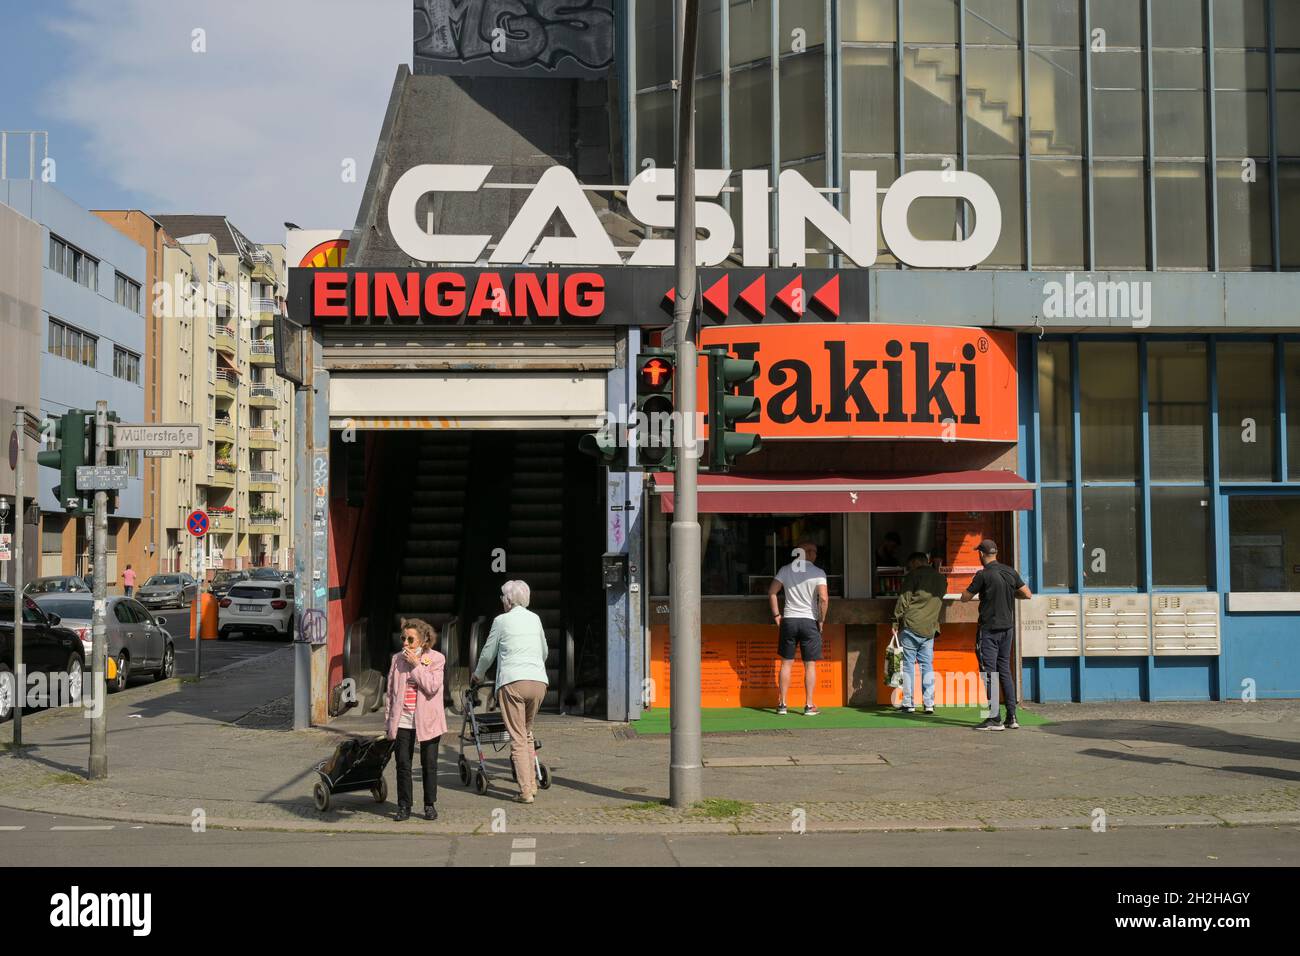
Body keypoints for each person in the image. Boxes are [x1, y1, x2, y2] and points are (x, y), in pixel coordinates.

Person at [472, 580, 549, 803]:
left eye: (502, 598)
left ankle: (525, 791)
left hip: (513, 683)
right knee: (526, 732)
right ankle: (532, 784)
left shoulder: (501, 621)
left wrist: (478, 674)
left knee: (516, 737)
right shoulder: (535, 619)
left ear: (508, 600)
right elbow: (544, 651)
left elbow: (488, 653)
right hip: (538, 682)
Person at [960, 539, 1032, 731]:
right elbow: (1027, 594)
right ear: (996, 553)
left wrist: (981, 591)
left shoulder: (983, 575)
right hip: (1007, 629)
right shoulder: (1010, 571)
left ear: (981, 554)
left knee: (989, 673)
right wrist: (1009, 593)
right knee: (1005, 671)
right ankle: (1012, 717)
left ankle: (994, 718)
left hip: (989, 630)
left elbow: (964, 598)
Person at [384, 617, 446, 821]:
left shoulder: (436, 659)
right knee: (402, 764)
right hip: (402, 719)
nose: (405, 643)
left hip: (428, 720)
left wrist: (416, 665)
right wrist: (388, 722)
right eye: (403, 638)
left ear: (423, 640)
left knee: (429, 764)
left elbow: (431, 687)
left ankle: (429, 804)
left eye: (410, 639)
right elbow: (391, 694)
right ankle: (404, 806)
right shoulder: (396, 659)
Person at [767, 539, 828, 717]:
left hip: (789, 620)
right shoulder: (818, 572)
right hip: (810, 622)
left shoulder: (786, 570)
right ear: (808, 553)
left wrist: (777, 615)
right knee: (810, 665)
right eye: (814, 551)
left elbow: (772, 592)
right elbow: (823, 598)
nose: (816, 555)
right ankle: (809, 705)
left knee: (786, 663)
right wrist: (821, 620)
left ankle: (782, 704)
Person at [891, 552, 948, 714]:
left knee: (908, 666)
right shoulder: (941, 578)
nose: (909, 568)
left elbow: (903, 599)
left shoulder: (913, 576)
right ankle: (929, 703)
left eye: (910, 565)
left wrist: (895, 620)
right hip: (930, 628)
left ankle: (909, 704)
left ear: (915, 562)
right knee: (927, 665)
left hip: (911, 625)